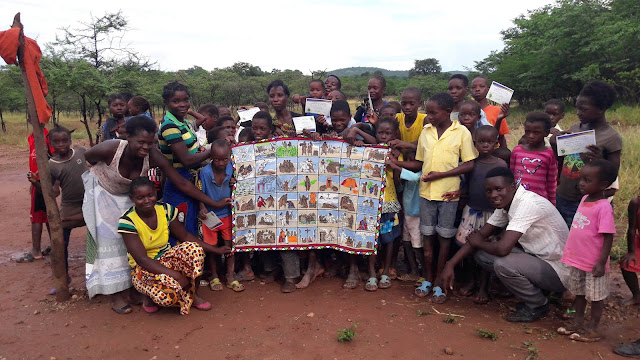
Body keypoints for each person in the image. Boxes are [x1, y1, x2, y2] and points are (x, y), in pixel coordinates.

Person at [83, 115, 225, 314]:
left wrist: (214, 203)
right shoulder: (111, 148)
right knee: (109, 243)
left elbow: (181, 182)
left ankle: (135, 290)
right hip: (103, 191)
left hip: (129, 195)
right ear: (128, 137)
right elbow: (88, 157)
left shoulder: (153, 155)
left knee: (130, 241)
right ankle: (115, 295)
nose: (145, 147)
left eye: (150, 143)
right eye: (140, 142)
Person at [441, 167, 569, 322]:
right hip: (540, 261)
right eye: (489, 191)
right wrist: (450, 264)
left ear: (512, 187)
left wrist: (479, 242)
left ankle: (538, 305)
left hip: (559, 271)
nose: (493, 195)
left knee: (503, 263)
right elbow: (480, 236)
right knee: (482, 255)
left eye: (498, 189)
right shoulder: (507, 204)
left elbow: (501, 249)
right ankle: (538, 293)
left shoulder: (527, 204)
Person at [399, 92, 477, 303]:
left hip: (448, 194)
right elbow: (419, 163)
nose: (429, 116)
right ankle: (428, 279)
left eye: (433, 113)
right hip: (426, 194)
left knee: (444, 240)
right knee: (427, 239)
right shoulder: (426, 132)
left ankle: (440, 284)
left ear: (448, 112)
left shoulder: (461, 132)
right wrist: (395, 164)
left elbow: (469, 163)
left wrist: (441, 175)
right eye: (428, 112)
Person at [119, 177, 231, 315]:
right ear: (132, 199)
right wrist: (176, 276)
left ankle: (192, 296)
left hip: (166, 258)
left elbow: (185, 236)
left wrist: (216, 249)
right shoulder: (128, 221)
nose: (147, 200)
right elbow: (142, 259)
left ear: (156, 193)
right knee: (166, 297)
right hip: (143, 270)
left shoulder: (165, 210)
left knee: (194, 249)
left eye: (150, 195)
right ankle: (149, 298)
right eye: (140, 197)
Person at [556, 159, 617, 342]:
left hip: (593, 264)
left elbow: (608, 236)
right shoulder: (584, 199)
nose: (581, 183)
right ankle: (577, 321)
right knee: (580, 293)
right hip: (578, 260)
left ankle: (593, 329)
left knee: (596, 297)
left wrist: (601, 262)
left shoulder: (604, 207)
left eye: (587, 180)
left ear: (603, 185)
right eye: (581, 179)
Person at [555, 81, 622, 228]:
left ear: (601, 109)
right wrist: (557, 142)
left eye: (583, 109)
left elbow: (612, 173)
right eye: (577, 108)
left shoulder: (611, 138)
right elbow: (563, 159)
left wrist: (600, 161)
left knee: (583, 241)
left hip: (587, 201)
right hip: (562, 196)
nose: (578, 112)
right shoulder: (574, 127)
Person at [347, 118, 401, 291]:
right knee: (371, 239)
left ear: (395, 135)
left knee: (389, 239)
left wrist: (395, 163)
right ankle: (371, 273)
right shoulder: (369, 149)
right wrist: (360, 134)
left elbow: (399, 181)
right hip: (369, 204)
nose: (384, 136)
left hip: (389, 202)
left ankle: (385, 271)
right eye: (380, 133)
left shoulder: (395, 153)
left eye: (388, 133)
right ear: (375, 133)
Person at [250, 113, 301, 293]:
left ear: (270, 130)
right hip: (262, 200)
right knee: (264, 233)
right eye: (255, 128)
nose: (257, 132)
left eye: (262, 128)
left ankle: (291, 276)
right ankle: (271, 269)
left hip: (282, 198)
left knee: (285, 236)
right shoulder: (247, 146)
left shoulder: (279, 145)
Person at [158, 82, 213, 244]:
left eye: (185, 100)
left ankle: (192, 266)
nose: (182, 104)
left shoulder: (182, 123)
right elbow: (186, 160)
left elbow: (191, 151)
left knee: (192, 226)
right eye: (176, 101)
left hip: (190, 181)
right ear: (167, 103)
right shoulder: (169, 126)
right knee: (182, 231)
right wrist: (212, 150)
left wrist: (200, 151)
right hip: (178, 183)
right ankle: (181, 267)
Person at [34, 127, 88, 294]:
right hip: (70, 206)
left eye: (64, 140)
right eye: (56, 142)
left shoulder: (81, 152)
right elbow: (51, 191)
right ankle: (63, 276)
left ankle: (97, 274)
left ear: (70, 141)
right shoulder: (51, 165)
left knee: (99, 237)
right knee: (60, 241)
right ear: (50, 144)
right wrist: (34, 183)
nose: (61, 144)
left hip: (91, 202)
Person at [199, 140, 252, 292]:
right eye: (217, 159)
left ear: (229, 157)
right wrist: (202, 207)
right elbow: (199, 193)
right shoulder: (205, 172)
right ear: (211, 158)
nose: (221, 163)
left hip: (229, 214)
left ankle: (230, 275)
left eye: (224, 159)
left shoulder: (232, 169)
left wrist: (235, 183)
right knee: (211, 247)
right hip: (210, 216)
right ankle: (214, 275)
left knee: (229, 247)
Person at [18, 126, 53, 263]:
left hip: (43, 181)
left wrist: (38, 179)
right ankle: (55, 246)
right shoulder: (32, 137)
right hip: (36, 181)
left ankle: (36, 251)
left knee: (38, 216)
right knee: (47, 213)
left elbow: (53, 158)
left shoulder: (47, 137)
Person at [510, 112, 558, 205]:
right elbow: (511, 176)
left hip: (539, 203)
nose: (531, 136)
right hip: (517, 201)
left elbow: (552, 183)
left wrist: (552, 205)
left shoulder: (549, 154)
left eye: (536, 133)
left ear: (546, 133)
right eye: (527, 131)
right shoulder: (517, 151)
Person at [471, 77, 510, 148]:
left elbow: (501, 137)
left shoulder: (497, 111)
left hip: (492, 153)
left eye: (482, 86)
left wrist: (505, 155)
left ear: (488, 90)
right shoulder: (466, 111)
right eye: (474, 87)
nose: (477, 89)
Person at [621, 192, 640, 307]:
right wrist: (631, 252)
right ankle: (637, 296)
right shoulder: (636, 203)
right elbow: (632, 229)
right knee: (627, 264)